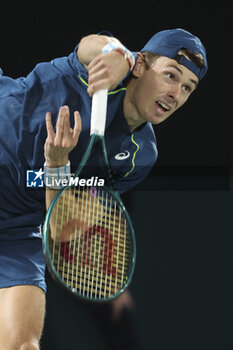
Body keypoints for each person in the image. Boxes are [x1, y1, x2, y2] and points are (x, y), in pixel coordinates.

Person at [0, 28, 207, 349]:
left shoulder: (138, 157)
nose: (175, 93)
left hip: (16, 228)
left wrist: (57, 164)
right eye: (170, 75)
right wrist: (118, 55)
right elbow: (91, 46)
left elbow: (61, 229)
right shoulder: (100, 72)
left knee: (23, 345)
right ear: (140, 66)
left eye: (187, 88)